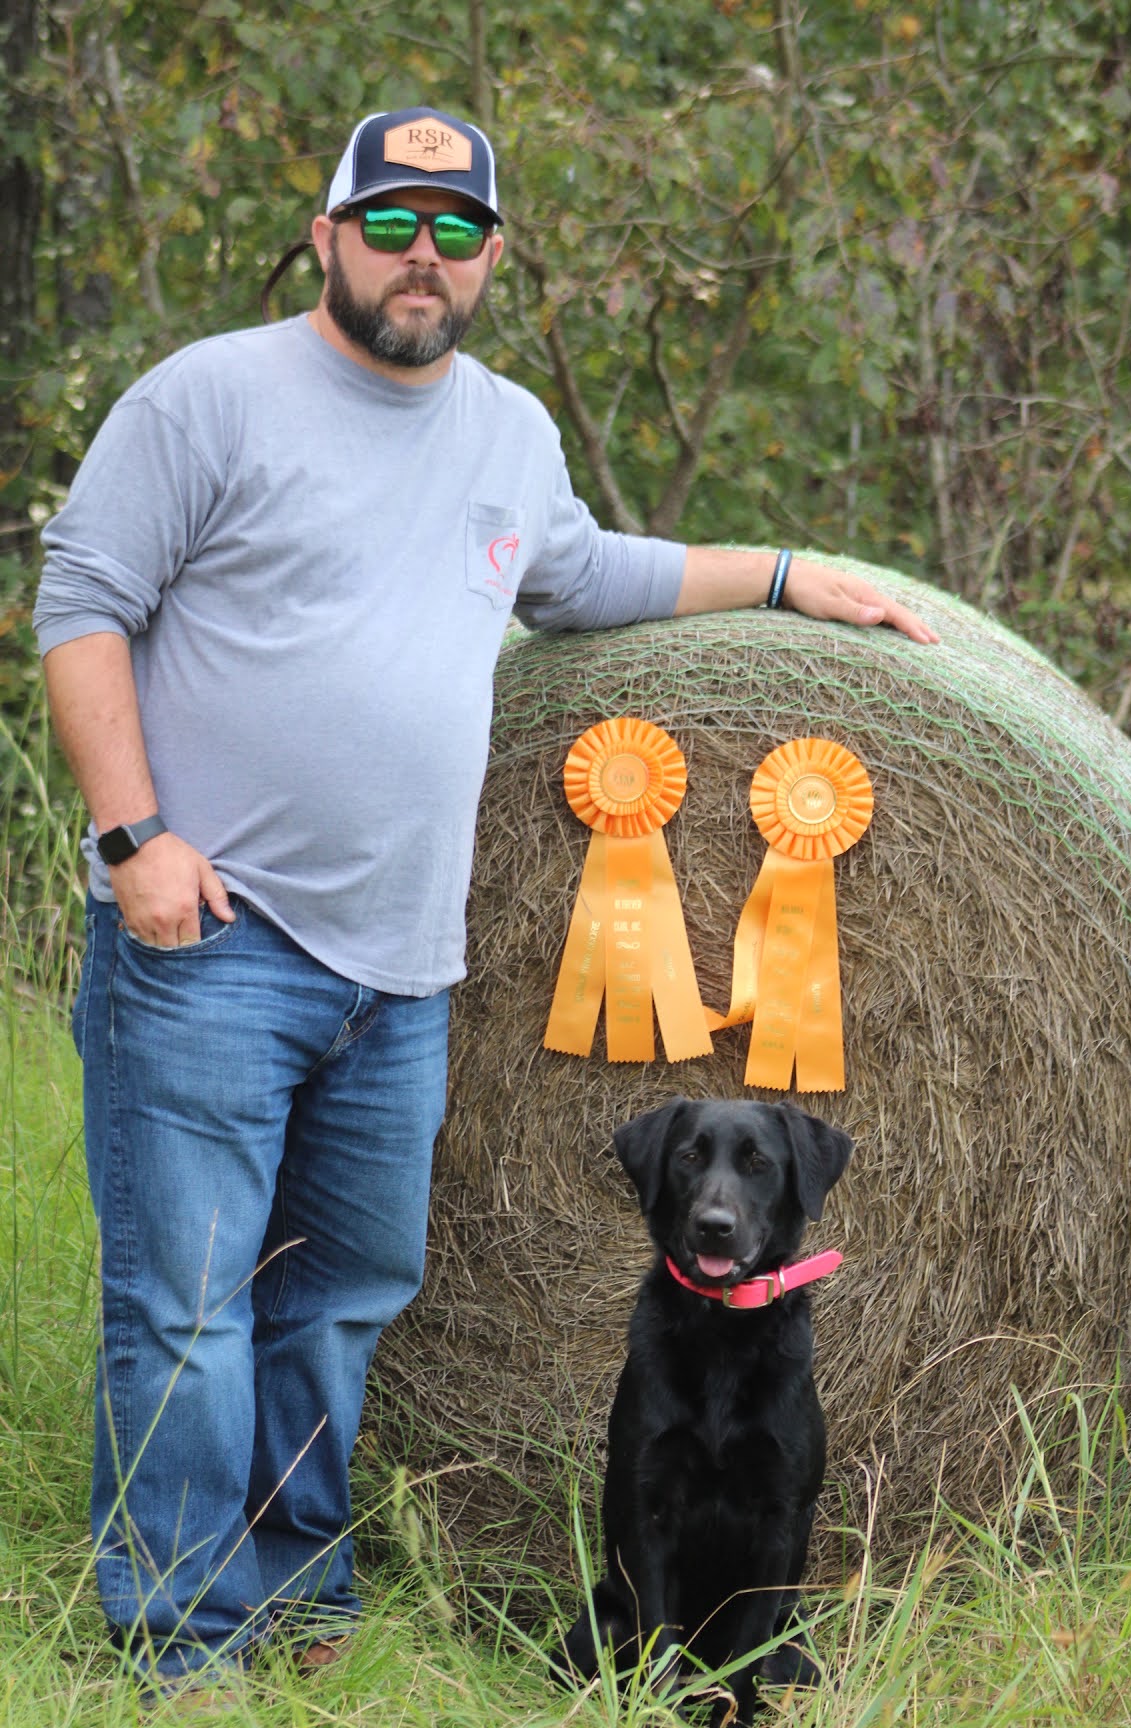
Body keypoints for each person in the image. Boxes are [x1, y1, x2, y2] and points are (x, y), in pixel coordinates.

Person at [33, 105, 937, 1696]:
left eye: (457, 231)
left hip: (404, 973)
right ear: (325, 234)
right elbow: (82, 603)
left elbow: (586, 575)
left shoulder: (507, 428)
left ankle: (302, 1608)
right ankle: (177, 1643)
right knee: (183, 1311)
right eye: (392, 223)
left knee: (346, 1300)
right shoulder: (206, 397)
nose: (421, 257)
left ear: (493, 257)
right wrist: (133, 841)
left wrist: (788, 577)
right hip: (214, 946)